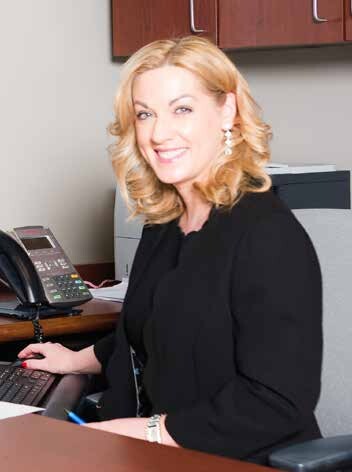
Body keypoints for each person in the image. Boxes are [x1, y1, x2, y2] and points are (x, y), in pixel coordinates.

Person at [18, 36, 322, 464]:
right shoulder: (166, 222)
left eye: (182, 108)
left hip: (237, 458)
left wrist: (148, 431)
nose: (159, 133)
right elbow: (149, 330)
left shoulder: (266, 235)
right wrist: (75, 361)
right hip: (158, 452)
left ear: (227, 111)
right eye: (145, 114)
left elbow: (277, 400)